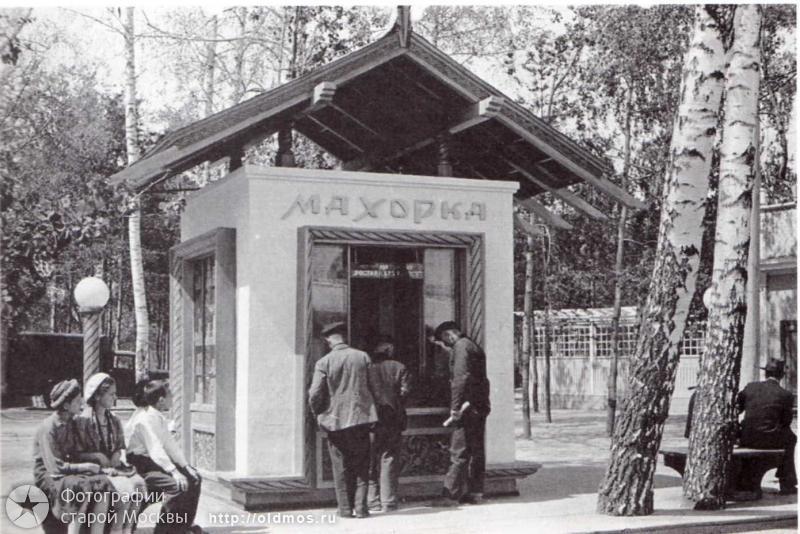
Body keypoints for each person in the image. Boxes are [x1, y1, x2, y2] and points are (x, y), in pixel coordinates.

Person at [308, 322, 378, 518]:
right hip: (361, 419)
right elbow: (374, 387)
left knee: (340, 467)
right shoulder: (362, 356)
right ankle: (361, 509)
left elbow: (314, 393)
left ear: (328, 340)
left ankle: (345, 509)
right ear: (344, 337)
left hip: (335, 421)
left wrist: (317, 413)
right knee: (362, 465)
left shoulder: (324, 362)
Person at [33, 379, 114, 534]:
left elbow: (76, 453)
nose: (81, 403)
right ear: (66, 405)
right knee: (81, 486)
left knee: (103, 483)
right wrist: (85, 467)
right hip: (48, 474)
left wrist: (95, 457)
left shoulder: (72, 423)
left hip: (67, 469)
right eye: (77, 401)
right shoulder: (48, 427)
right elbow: (54, 467)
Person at [125, 378, 203, 534]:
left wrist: (186, 466)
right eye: (170, 395)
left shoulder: (158, 417)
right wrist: (174, 472)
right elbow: (155, 448)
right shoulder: (144, 419)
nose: (172, 398)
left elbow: (170, 444)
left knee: (195, 478)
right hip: (141, 465)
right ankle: (163, 530)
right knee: (177, 486)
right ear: (161, 400)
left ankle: (183, 527)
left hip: (154, 462)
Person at [74, 373, 147, 534]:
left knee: (138, 484)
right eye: (111, 394)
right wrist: (97, 456)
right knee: (124, 490)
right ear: (98, 396)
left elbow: (119, 447)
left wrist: (116, 455)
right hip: (93, 470)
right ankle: (116, 530)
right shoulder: (82, 421)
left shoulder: (114, 420)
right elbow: (76, 454)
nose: (115, 398)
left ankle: (126, 530)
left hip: (113, 468)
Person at [433, 321, 491, 506]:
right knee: (476, 450)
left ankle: (450, 495)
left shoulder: (461, 346)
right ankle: (476, 492)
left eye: (444, 340)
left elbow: (460, 378)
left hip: (467, 409)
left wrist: (455, 407)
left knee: (458, 450)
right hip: (478, 405)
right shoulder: (472, 345)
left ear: (449, 334)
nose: (446, 345)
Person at [737, 358, 797, 495]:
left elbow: (737, 408)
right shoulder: (785, 395)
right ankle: (786, 482)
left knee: (789, 437)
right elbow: (786, 422)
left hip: (747, 438)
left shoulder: (750, 387)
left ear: (765, 373)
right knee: (791, 438)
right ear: (782, 375)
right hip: (771, 440)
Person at [366, 335, 411, 512]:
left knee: (369, 460)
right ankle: (388, 501)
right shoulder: (399, 367)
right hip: (392, 419)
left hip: (370, 420)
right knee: (389, 458)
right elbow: (405, 393)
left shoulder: (367, 368)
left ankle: (372, 500)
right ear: (389, 349)